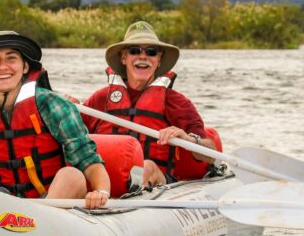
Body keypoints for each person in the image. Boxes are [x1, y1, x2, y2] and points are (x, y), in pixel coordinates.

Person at [0, 30, 111, 209]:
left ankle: (39, 228)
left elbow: (88, 161)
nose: (3, 66)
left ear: (25, 67)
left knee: (72, 175)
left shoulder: (53, 105)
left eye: (11, 58)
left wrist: (101, 192)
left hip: (48, 204)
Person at [81, 21, 218, 187]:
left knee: (147, 167)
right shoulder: (100, 99)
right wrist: (67, 110)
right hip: (104, 181)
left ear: (159, 59)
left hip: (158, 184)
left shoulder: (175, 102)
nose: (143, 56)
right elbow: (72, 136)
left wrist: (187, 138)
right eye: (134, 51)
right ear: (124, 57)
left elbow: (210, 153)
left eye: (151, 52)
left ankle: (131, 194)